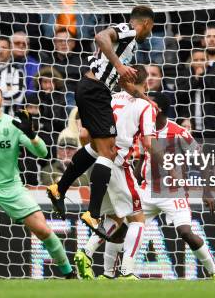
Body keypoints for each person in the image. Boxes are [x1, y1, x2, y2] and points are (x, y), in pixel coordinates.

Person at [75, 91, 215, 280]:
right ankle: (108, 274)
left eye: (149, 102)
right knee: (120, 223)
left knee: (186, 232)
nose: (145, 105)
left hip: (173, 193)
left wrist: (207, 191)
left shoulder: (179, 132)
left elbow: (201, 160)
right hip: (146, 190)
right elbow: (143, 158)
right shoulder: (143, 129)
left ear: (158, 109)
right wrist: (134, 180)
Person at [46, 6, 155, 237]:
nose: (150, 33)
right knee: (108, 151)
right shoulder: (127, 30)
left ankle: (59, 189)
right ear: (145, 23)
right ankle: (93, 213)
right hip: (94, 91)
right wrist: (119, 65)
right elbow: (100, 36)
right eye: (151, 28)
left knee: (98, 147)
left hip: (94, 90)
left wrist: (145, 98)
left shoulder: (129, 45)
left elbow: (123, 80)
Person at [0, 83, 76, 279]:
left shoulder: (14, 124)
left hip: (12, 187)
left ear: (2, 99)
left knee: (43, 230)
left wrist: (32, 135)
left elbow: (42, 152)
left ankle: (69, 274)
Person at [73, 65, 155, 280]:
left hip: (96, 160)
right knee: (137, 218)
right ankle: (127, 271)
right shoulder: (145, 106)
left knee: (114, 218)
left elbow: (83, 133)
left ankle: (86, 252)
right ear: (145, 83)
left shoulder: (107, 97)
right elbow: (148, 142)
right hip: (118, 163)